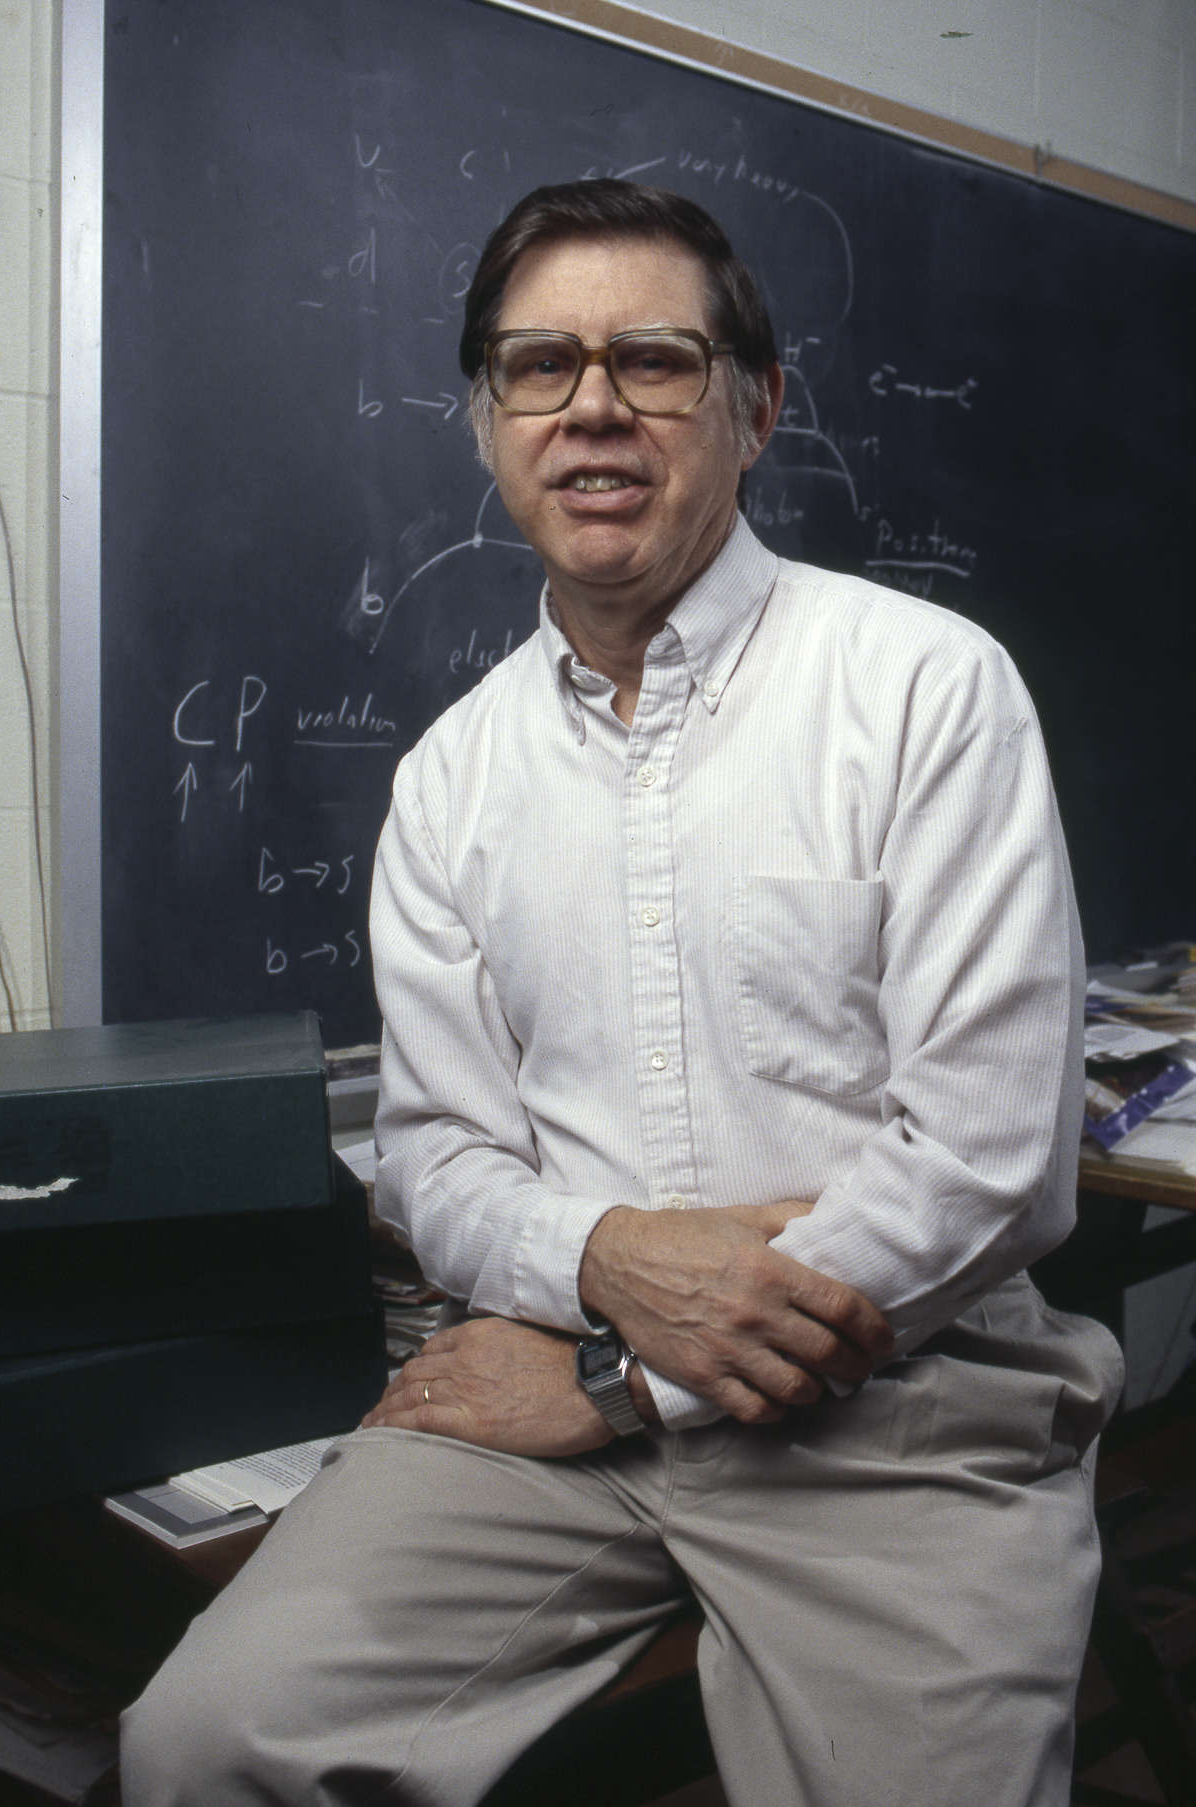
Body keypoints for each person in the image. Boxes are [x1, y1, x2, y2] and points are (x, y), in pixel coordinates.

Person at [121, 179, 1123, 1807]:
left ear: (755, 406)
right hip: (536, 1409)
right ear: (487, 422)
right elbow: (440, 1162)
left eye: (653, 359)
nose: (592, 406)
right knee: (205, 1747)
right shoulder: (452, 783)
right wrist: (602, 1269)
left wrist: (627, 1377)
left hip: (890, 1402)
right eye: (539, 366)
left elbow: (991, 1159)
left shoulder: (925, 691)